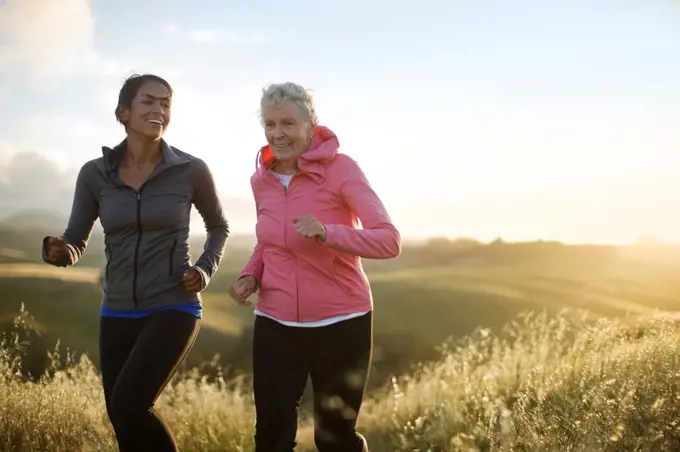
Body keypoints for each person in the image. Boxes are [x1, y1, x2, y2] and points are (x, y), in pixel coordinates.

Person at [42, 73, 229, 452]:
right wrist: (62, 251)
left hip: (173, 304)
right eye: (149, 101)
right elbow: (76, 238)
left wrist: (205, 268)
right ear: (123, 112)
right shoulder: (94, 173)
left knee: (130, 404)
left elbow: (218, 226)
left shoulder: (191, 170)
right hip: (117, 311)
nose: (159, 109)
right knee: (122, 420)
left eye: (166, 103)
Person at [228, 82, 401, 451]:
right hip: (275, 321)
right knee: (271, 436)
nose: (278, 133)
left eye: (288, 123)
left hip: (341, 321)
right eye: (271, 124)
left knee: (334, 438)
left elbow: (388, 240)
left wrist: (328, 233)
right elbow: (268, 241)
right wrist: (250, 274)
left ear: (311, 125)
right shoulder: (262, 180)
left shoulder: (342, 169)